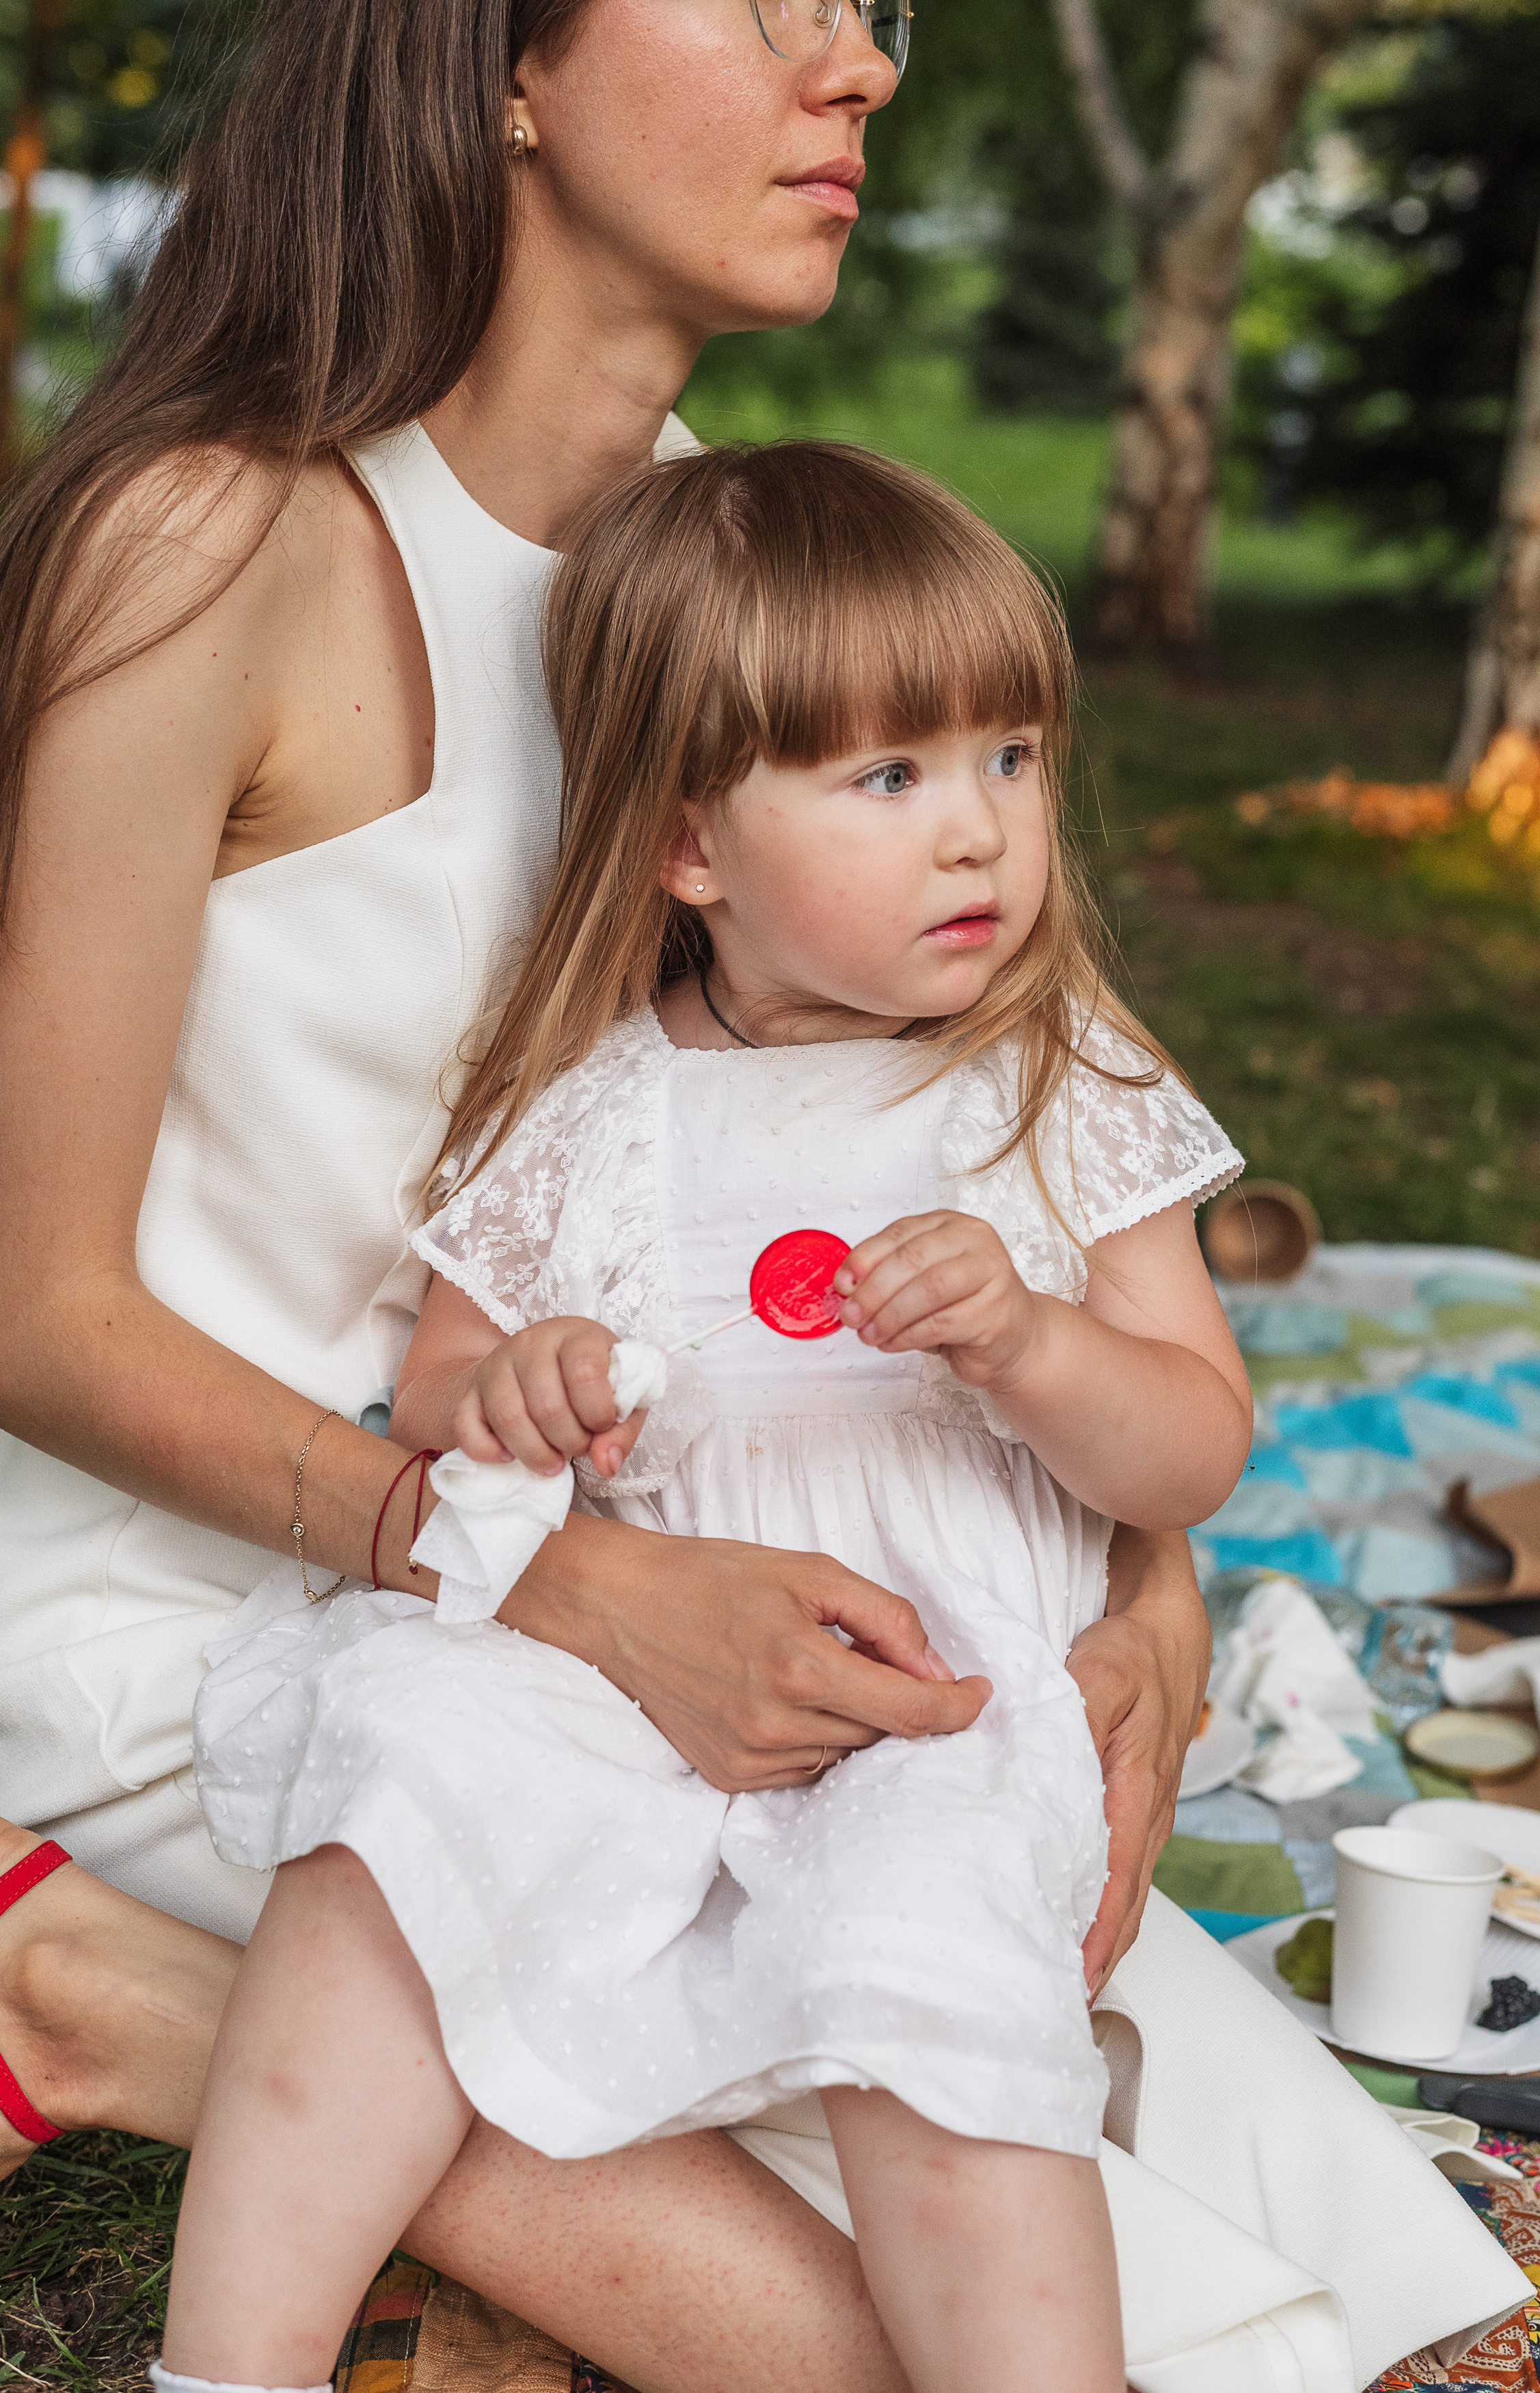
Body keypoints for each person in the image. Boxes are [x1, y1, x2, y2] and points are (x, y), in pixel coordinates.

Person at [0, 1, 1231, 2385]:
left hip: (629, 1593)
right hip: (210, 1608)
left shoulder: (728, 554)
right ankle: (123, 1984)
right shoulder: (214, 539)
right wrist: (557, 1586)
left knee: (1115, 2149)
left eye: (865, 6)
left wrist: (1154, 1591)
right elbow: (27, 1299)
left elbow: (948, 1099)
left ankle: (212, 2034)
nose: (857, 65)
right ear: (500, 67)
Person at [159, 440, 1256, 2393]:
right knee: (402, 1765)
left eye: (1012, 755)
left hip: (935, 1684)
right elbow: (441, 1394)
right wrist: (522, 1388)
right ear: (689, 846)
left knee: (939, 1956)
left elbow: (1195, 1448)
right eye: (889, 775)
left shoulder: (1058, 1079)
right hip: (631, 1658)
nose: (981, 834)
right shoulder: (591, 1106)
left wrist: (1037, 1347)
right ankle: (226, 2365)